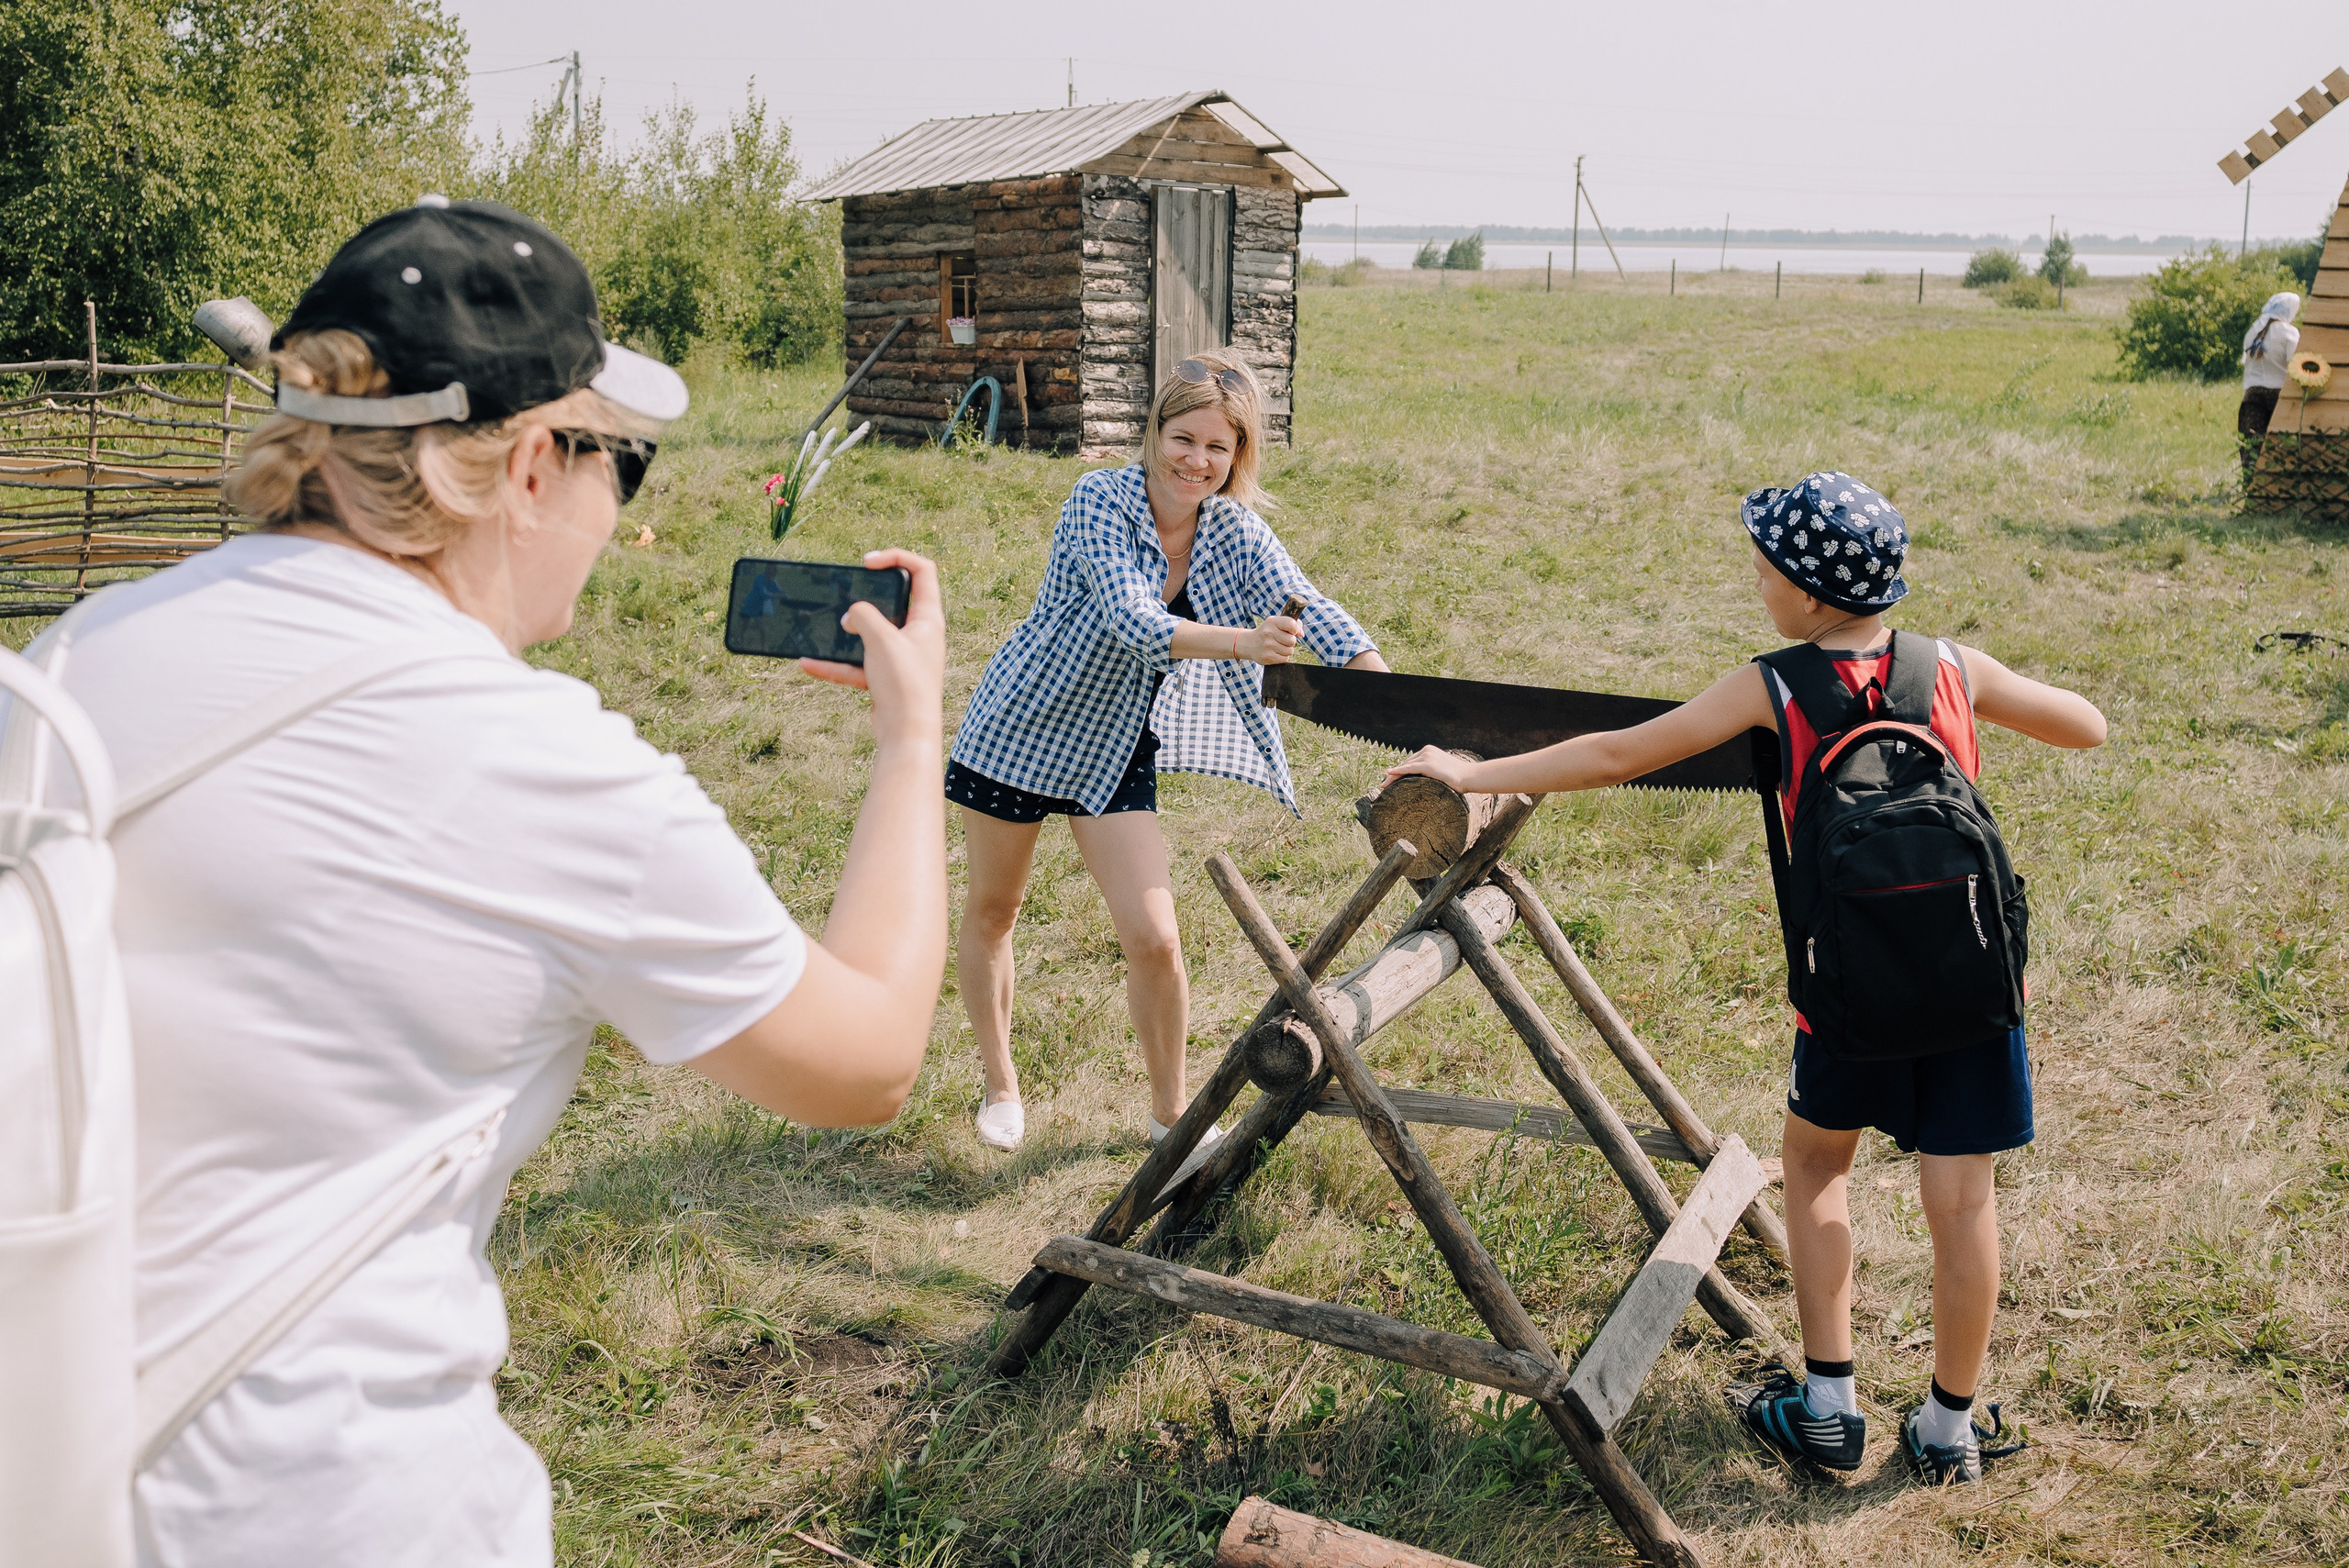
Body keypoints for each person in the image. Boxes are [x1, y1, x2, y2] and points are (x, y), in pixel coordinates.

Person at [18, 200, 947, 1564]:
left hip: (45, 1483)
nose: (612, 504)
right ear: (527, 469)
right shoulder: (543, 771)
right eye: (621, 468)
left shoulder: (77, 656)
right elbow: (863, 1061)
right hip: (330, 1510)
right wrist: (914, 738)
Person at [1386, 472, 2107, 1485]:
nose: (1756, 581)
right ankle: (1947, 1427)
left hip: (1846, 988)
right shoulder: (1948, 665)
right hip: (1972, 985)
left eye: (1765, 568)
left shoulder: (1772, 684)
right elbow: (2087, 725)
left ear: (1809, 597)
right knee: (1963, 1201)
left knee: (1816, 1170)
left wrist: (1468, 773)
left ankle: (1827, 1409)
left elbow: (1614, 754)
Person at [949, 350, 1387, 1155]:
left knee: (1156, 938)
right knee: (994, 910)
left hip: (1114, 743)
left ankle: (1170, 1116)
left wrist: (1393, 698)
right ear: (1154, 433)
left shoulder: (1233, 529)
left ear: (1238, 456)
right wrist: (1243, 643)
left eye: (1219, 448)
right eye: (1185, 438)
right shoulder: (1099, 500)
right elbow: (1134, 620)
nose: (1198, 460)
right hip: (1021, 726)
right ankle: (1002, 1086)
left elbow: (1314, 608)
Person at [2239, 292, 2301, 478]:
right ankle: (2276, 487)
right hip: (2278, 396)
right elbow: (2294, 364)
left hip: (2252, 395)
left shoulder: (2254, 330)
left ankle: (2252, 486)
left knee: (2252, 443)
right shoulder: (2288, 332)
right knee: (2280, 443)